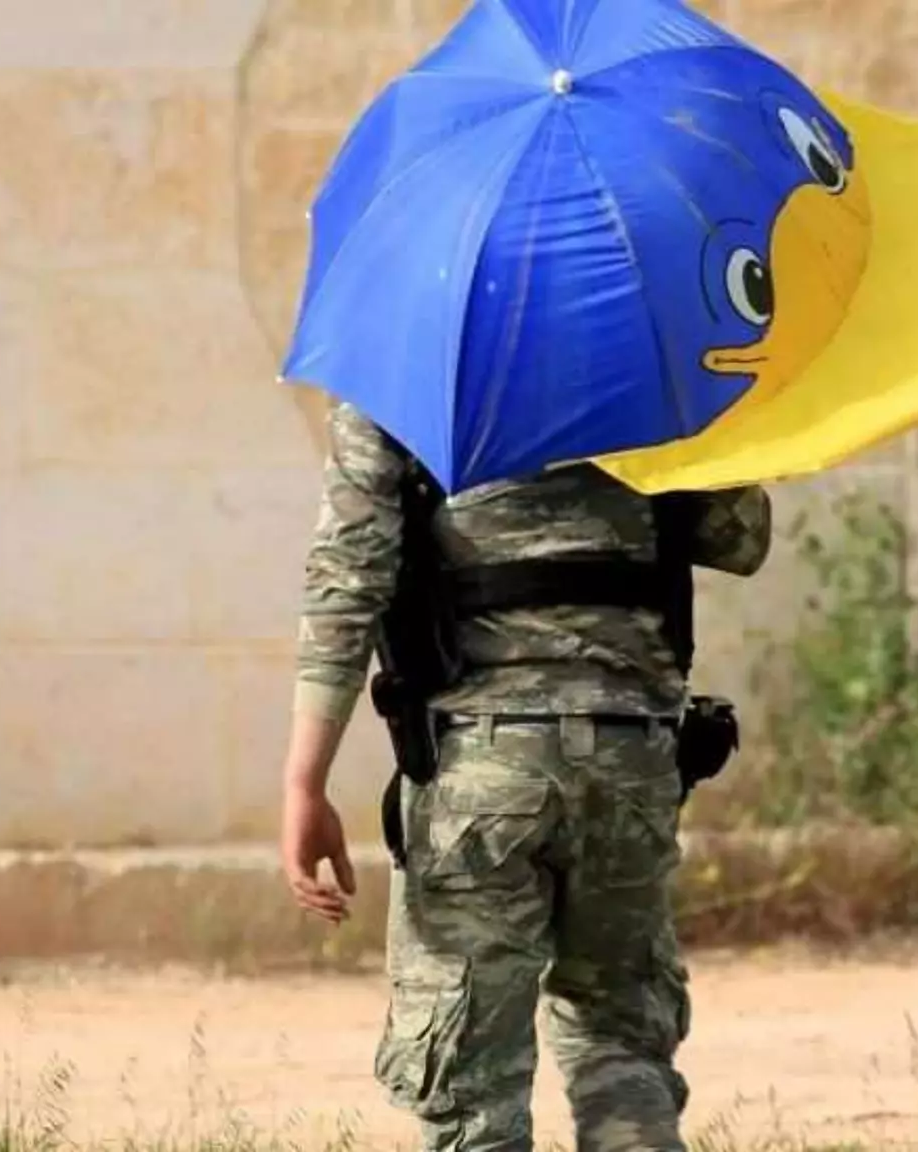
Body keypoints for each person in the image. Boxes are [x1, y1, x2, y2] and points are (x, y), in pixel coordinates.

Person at [278, 400, 773, 1151]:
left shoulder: (404, 385)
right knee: (621, 1047)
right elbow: (742, 535)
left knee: (473, 1092)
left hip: (479, 771)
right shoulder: (651, 371)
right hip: (629, 761)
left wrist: (303, 784)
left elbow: (348, 584)